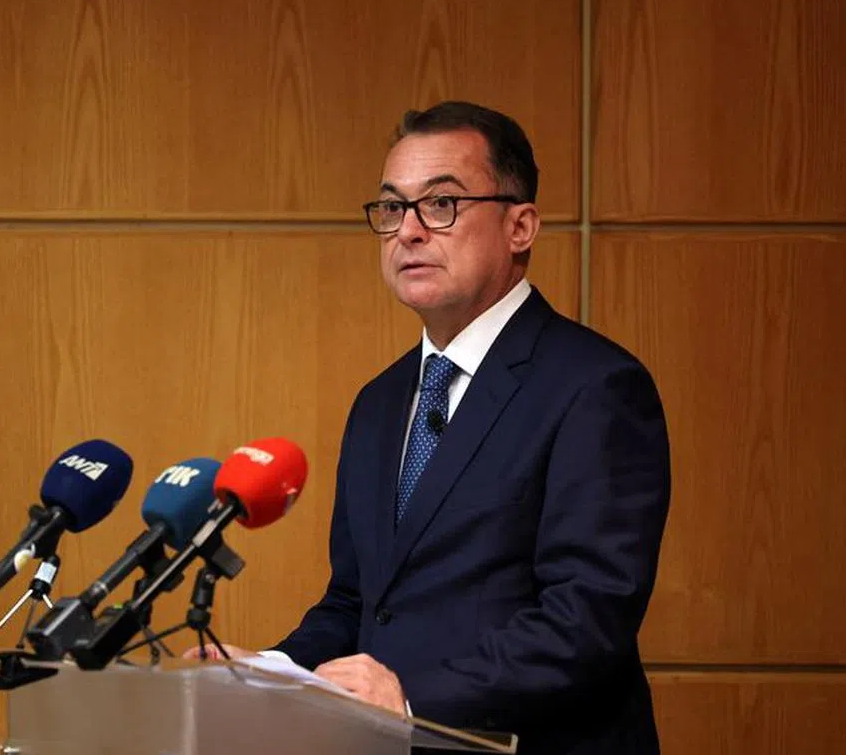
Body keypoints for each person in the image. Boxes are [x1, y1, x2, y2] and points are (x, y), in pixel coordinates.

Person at [187, 100, 671, 755]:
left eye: (441, 204)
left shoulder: (595, 387)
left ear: (520, 226)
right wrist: (269, 673)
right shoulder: (379, 402)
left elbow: (586, 621)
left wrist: (412, 699)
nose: (408, 231)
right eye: (392, 207)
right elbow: (358, 603)